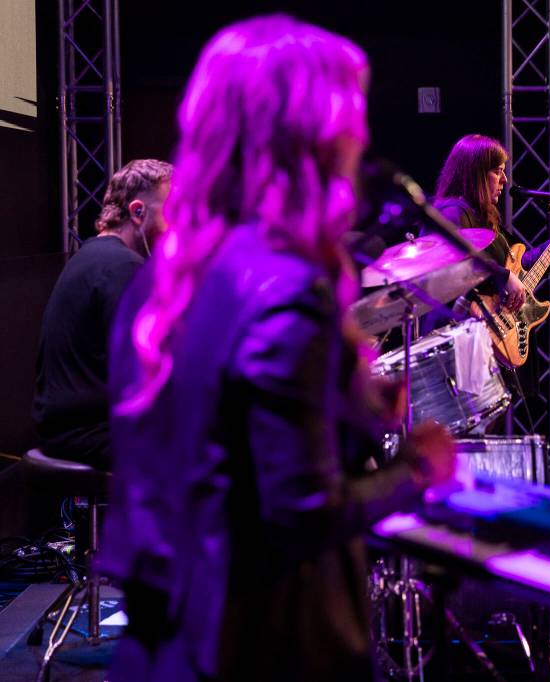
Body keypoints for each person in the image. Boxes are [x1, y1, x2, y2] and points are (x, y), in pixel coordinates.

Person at [100, 15, 455, 681]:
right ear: (317, 137)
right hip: (265, 648)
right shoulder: (290, 289)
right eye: (354, 113)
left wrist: (342, 408)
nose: (363, 137)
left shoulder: (162, 280)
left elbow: (212, 450)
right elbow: (301, 513)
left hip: (164, 645)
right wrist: (415, 469)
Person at [32, 158, 172, 469]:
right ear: (138, 212)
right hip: (90, 435)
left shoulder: (90, 256)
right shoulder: (123, 268)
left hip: (67, 429)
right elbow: (144, 367)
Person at [425, 133, 550, 326]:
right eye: (498, 171)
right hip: (458, 333)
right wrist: (504, 276)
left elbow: (520, 266)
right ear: (476, 174)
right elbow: (457, 263)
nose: (505, 180)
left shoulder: (486, 217)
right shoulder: (453, 212)